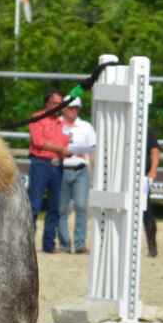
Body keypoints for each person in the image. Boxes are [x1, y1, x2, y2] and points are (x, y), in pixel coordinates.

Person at [27, 89, 70, 254]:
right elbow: (38, 141)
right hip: (40, 163)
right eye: (55, 103)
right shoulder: (37, 117)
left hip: (57, 164)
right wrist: (60, 148)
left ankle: (48, 244)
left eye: (60, 104)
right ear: (47, 103)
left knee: (55, 206)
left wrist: (68, 150)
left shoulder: (61, 122)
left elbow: (66, 143)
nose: (58, 106)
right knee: (34, 205)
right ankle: (28, 243)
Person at [58, 96, 96, 254]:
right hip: (60, 170)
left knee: (81, 206)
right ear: (64, 108)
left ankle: (80, 244)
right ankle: (65, 243)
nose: (73, 110)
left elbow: (93, 148)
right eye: (71, 107)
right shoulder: (56, 124)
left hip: (81, 169)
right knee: (62, 209)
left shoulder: (86, 126)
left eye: (76, 108)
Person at [144, 128, 160, 257]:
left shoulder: (147, 131)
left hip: (143, 178)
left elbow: (154, 151)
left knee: (146, 210)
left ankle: (152, 244)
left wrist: (153, 170)